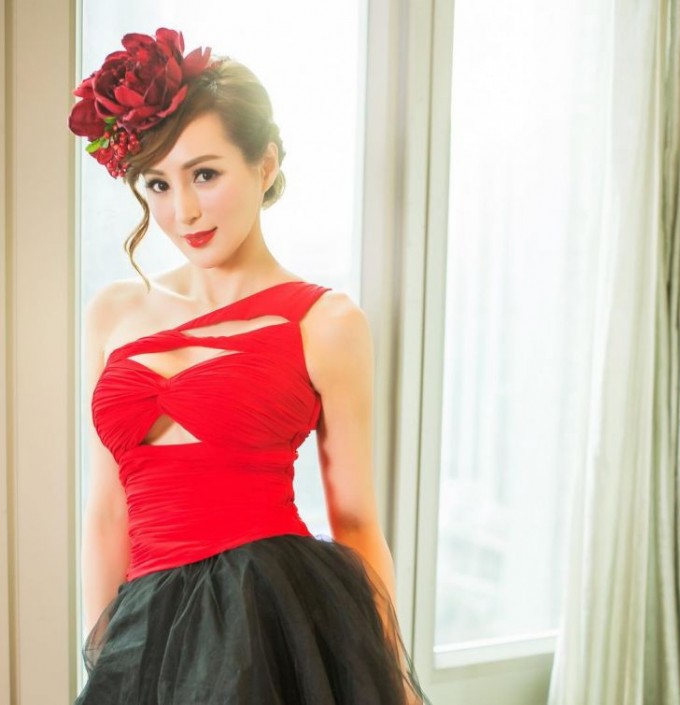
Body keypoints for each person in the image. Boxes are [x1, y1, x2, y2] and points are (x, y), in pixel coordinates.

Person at [69, 28, 429, 704]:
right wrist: (107, 663)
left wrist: (391, 685)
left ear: (264, 165)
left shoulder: (327, 322)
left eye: (204, 174)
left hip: (270, 623)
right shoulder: (111, 312)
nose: (183, 211)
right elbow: (106, 512)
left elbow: (356, 522)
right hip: (145, 637)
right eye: (157, 183)